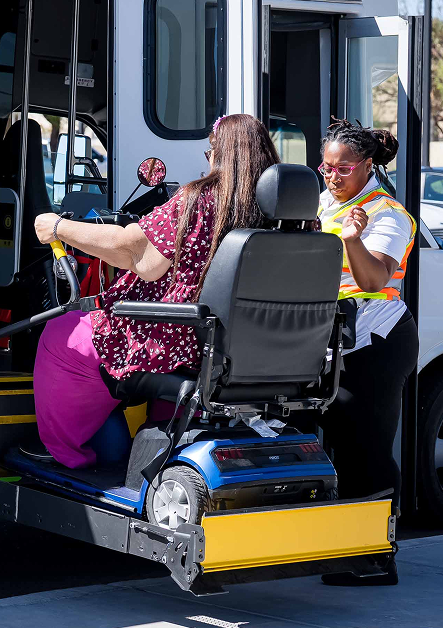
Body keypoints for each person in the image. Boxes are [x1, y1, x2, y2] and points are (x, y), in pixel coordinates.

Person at [30, 114, 280, 469]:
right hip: (248, 351)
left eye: (211, 151)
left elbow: (138, 255)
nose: (207, 159)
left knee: (61, 335)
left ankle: (69, 454)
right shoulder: (292, 215)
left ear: (222, 154)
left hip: (179, 338)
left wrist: (58, 226)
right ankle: (159, 433)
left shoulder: (200, 199)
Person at [315, 118, 419, 588]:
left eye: (343, 169)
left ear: (368, 166)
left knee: (369, 450)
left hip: (376, 343)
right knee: (341, 445)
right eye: (326, 167)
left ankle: (377, 559)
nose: (332, 176)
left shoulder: (387, 215)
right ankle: (344, 548)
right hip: (336, 341)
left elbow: (375, 280)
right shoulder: (325, 201)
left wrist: (353, 239)